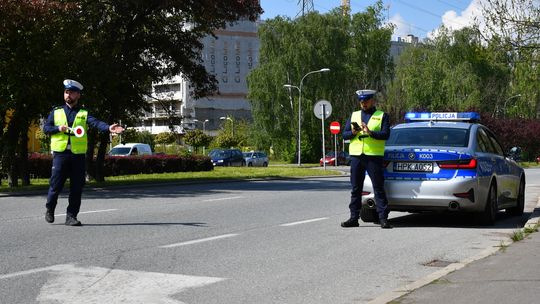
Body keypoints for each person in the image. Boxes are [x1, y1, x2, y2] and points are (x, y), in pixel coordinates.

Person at [43, 79, 124, 226]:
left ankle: (71, 216)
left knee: (76, 187)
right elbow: (46, 128)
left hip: (77, 156)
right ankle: (50, 208)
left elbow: (96, 123)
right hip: (60, 154)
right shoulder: (56, 112)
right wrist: (57, 128)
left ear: (78, 95)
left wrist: (108, 128)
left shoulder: (83, 113)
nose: (68, 95)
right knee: (55, 185)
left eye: (72, 93)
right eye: (66, 92)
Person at [341, 89, 392, 229]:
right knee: (356, 188)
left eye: (366, 101)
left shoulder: (382, 116)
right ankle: (353, 218)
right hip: (357, 156)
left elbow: (386, 134)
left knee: (378, 188)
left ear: (372, 101)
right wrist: (352, 132)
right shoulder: (354, 115)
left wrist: (370, 133)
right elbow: (344, 135)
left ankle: (383, 218)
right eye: (361, 101)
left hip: (373, 157)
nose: (363, 104)